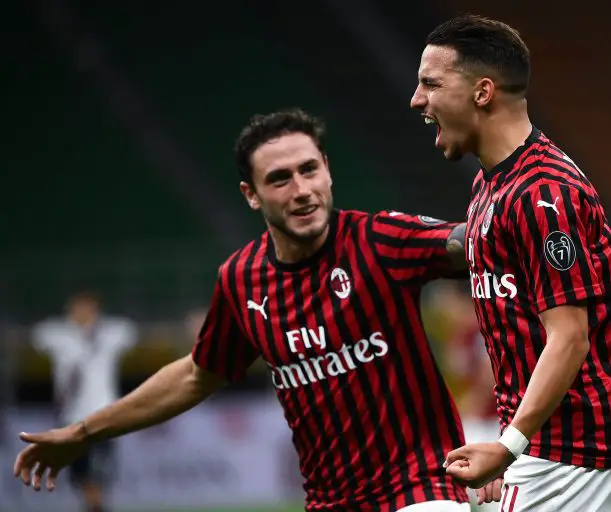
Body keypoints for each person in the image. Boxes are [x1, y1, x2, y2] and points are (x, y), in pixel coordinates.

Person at [13, 109, 489, 511]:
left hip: (422, 488)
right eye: (280, 179)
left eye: (309, 170)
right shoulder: (241, 280)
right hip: (330, 501)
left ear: (327, 168)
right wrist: (84, 430)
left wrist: (539, 205)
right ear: (251, 194)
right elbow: (196, 376)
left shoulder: (380, 240)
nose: (301, 189)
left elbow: (474, 243)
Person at [410, 14, 611, 512]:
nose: (418, 100)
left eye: (430, 83)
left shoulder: (543, 193)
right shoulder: (491, 185)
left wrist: (509, 448)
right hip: (561, 447)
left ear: (482, 93)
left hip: (571, 453)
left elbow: (569, 336)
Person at [30, 290, 138, 512]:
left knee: (100, 470)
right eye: (77, 308)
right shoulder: (58, 334)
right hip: (70, 415)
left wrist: (92, 330)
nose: (83, 313)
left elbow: (130, 333)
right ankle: (94, 505)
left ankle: (96, 505)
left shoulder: (110, 332)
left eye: (87, 307)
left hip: (105, 413)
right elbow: (36, 337)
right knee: (79, 473)